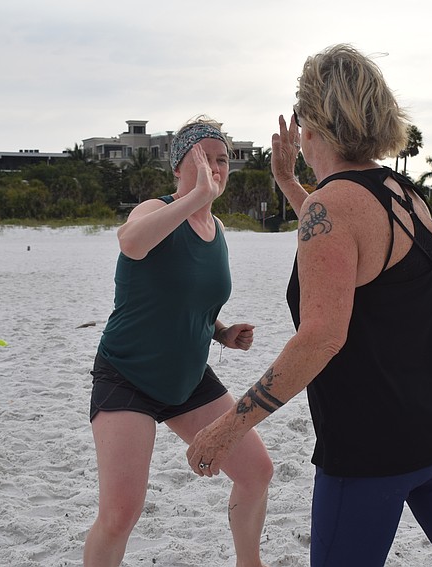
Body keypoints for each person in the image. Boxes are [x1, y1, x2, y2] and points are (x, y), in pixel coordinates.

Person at [185, 45, 432, 566]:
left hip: (376, 445)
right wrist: (289, 183)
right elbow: (350, 246)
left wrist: (229, 427)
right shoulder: (402, 193)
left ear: (314, 124)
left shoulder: (332, 206)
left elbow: (320, 337)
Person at [83, 117, 273, 567]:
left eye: (222, 160)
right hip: (128, 375)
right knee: (120, 513)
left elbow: (186, 297)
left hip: (188, 378)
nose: (215, 169)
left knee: (256, 472)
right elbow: (130, 243)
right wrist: (195, 197)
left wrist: (220, 331)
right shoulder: (155, 209)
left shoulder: (217, 228)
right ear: (177, 167)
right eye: (203, 159)